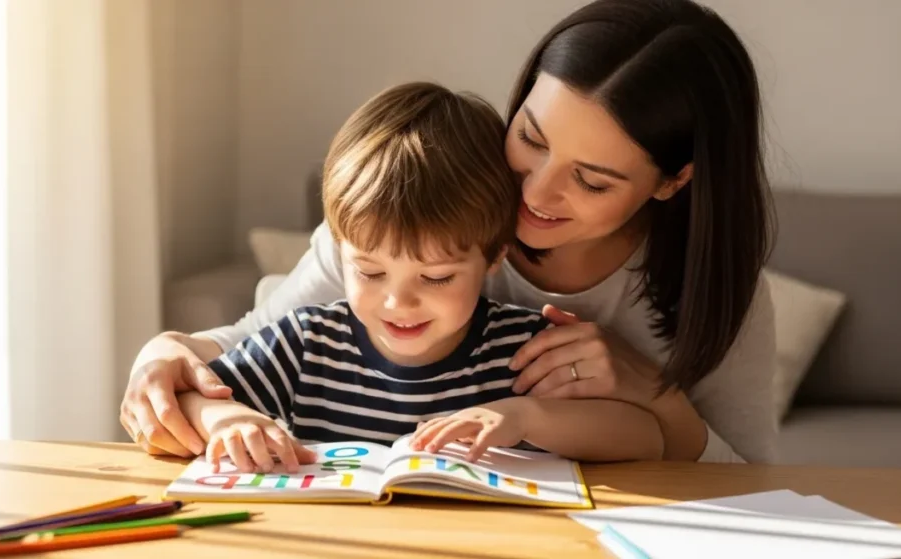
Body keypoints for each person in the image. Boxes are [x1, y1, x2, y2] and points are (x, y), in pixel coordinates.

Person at [121, 0, 777, 464]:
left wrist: (652, 394)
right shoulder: (418, 211)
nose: (535, 191)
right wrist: (165, 352)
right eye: (531, 137)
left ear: (672, 180)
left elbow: (747, 481)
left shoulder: (711, 283)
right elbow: (254, 343)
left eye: (593, 180)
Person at [177, 82, 664, 473]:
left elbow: (646, 437)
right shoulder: (304, 344)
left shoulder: (523, 349)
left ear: (494, 257)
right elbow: (189, 397)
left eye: (435, 278)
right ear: (340, 250)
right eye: (369, 271)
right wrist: (225, 418)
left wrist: (525, 416)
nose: (397, 303)